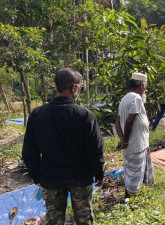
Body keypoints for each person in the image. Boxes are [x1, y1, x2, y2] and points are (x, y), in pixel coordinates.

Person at [22, 68, 105, 225]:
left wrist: (37, 176)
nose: (80, 90)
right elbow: (95, 150)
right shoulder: (84, 116)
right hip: (80, 178)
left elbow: (29, 151)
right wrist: (99, 173)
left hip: (51, 178)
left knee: (54, 221)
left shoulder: (37, 115)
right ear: (73, 87)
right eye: (80, 87)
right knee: (84, 219)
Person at [115, 73, 154, 198]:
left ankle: (128, 197)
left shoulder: (125, 98)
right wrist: (125, 141)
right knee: (135, 174)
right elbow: (130, 120)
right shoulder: (136, 98)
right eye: (145, 86)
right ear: (141, 85)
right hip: (136, 143)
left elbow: (117, 122)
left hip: (133, 143)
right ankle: (129, 199)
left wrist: (122, 139)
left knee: (130, 172)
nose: (146, 89)